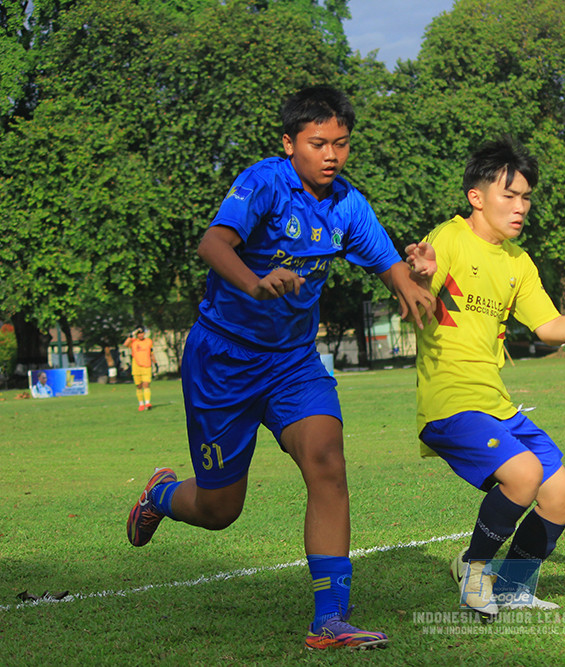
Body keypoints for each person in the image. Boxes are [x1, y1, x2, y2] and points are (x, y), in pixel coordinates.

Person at [125, 86, 434, 650]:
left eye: (341, 143)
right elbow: (213, 244)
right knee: (220, 509)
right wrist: (255, 283)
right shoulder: (265, 182)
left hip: (293, 362)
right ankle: (160, 496)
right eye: (318, 143)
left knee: (327, 461)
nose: (332, 154)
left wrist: (411, 282)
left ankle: (330, 620)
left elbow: (388, 263)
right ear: (290, 143)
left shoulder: (348, 204)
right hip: (224, 359)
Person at [405, 137, 565, 617]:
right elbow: (416, 305)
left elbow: (549, 327)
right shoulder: (448, 239)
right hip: (450, 400)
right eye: (509, 195)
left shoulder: (518, 261)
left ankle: (513, 588)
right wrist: (417, 278)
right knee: (526, 474)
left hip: (495, 401)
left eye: (526, 197)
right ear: (476, 197)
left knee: (561, 494)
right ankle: (474, 571)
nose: (520, 207)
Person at [124, 327, 154, 411]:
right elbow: (125, 344)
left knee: (146, 384)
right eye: (138, 333)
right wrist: (131, 335)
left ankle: (147, 403)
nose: (140, 335)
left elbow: (151, 352)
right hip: (136, 366)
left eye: (142, 333)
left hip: (147, 365)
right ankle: (141, 404)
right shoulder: (133, 342)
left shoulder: (148, 341)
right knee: (139, 385)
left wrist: (155, 362)